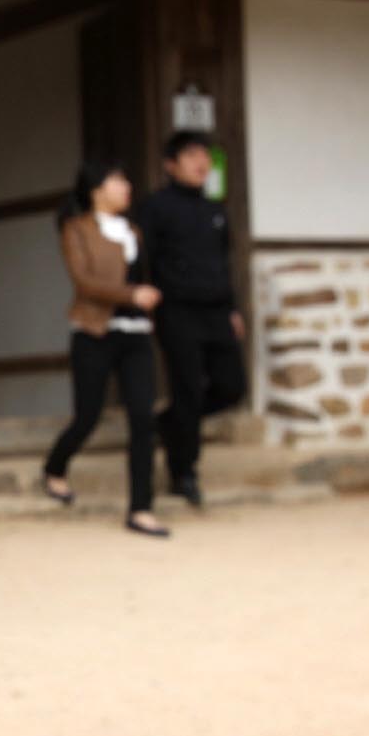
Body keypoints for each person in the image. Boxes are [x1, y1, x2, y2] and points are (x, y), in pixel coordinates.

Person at [41, 160, 169, 538]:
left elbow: (145, 275)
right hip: (94, 332)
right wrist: (132, 294)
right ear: (97, 188)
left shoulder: (134, 231)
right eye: (118, 180)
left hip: (136, 333)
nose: (126, 186)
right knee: (88, 416)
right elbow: (84, 281)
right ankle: (55, 467)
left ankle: (141, 508)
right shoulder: (76, 229)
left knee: (143, 419)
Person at [138, 130, 246, 508]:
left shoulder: (215, 210)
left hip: (216, 310)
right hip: (177, 310)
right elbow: (143, 259)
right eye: (191, 155)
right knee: (186, 389)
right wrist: (146, 305)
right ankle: (183, 472)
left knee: (232, 386)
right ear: (171, 165)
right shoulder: (156, 207)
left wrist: (233, 309)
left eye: (205, 156)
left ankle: (169, 423)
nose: (201, 162)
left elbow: (223, 263)